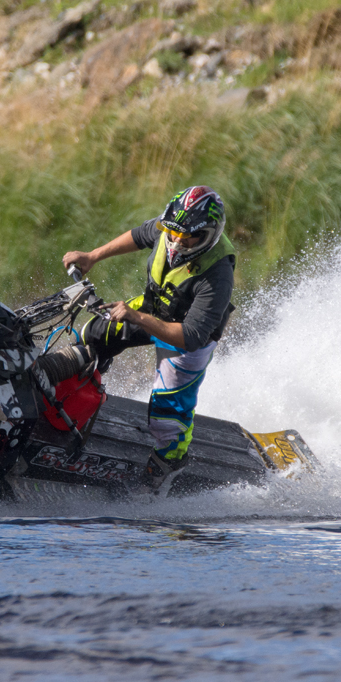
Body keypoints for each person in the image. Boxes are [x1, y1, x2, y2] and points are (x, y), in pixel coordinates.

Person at [62, 185, 235, 491]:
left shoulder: (217, 274)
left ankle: (165, 468)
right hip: (152, 308)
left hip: (184, 336)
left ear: (208, 234)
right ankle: (72, 402)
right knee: (92, 335)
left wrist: (136, 316)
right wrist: (91, 256)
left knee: (166, 419)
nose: (178, 241)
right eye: (174, 232)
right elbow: (140, 235)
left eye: (188, 236)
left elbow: (192, 336)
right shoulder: (174, 225)